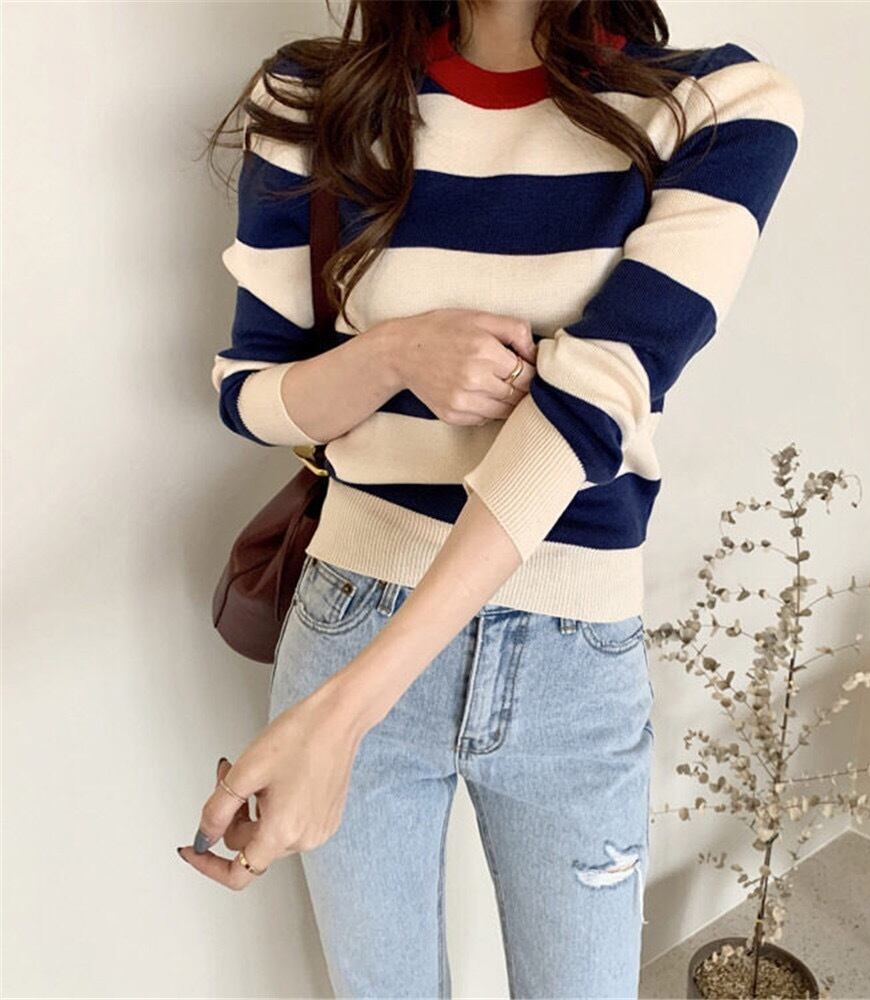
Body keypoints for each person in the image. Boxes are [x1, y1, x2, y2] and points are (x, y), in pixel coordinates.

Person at [179, 1, 804, 996]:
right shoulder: (312, 98)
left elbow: (588, 409)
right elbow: (249, 390)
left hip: (565, 662)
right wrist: (393, 354)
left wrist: (339, 716)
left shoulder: (717, 106)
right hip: (350, 611)